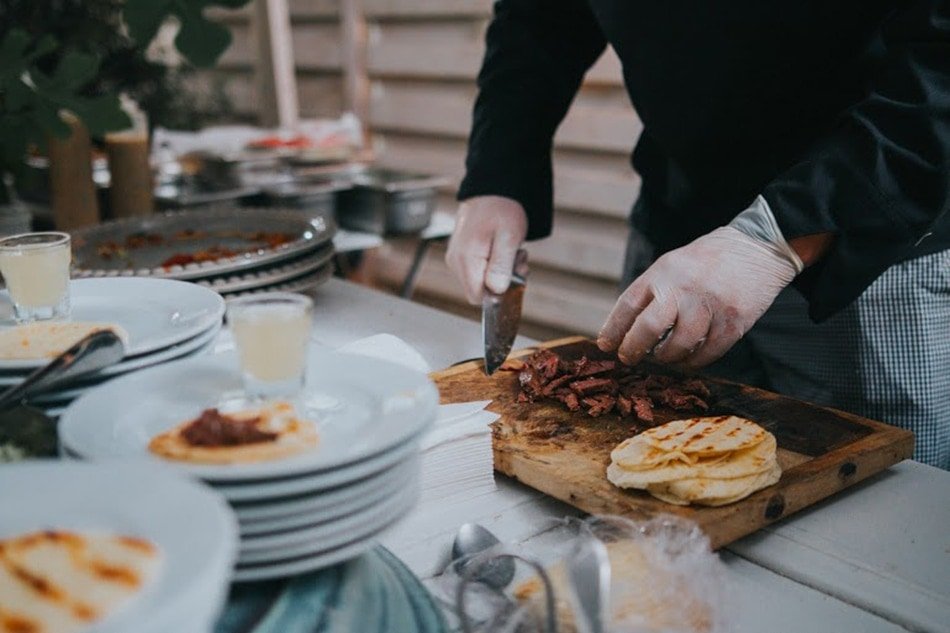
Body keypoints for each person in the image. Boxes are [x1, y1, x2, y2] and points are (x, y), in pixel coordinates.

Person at [445, 0, 950, 469]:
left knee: (869, 511)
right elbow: (539, 18)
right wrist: (497, 174)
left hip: (865, 241)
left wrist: (775, 236)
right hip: (677, 234)